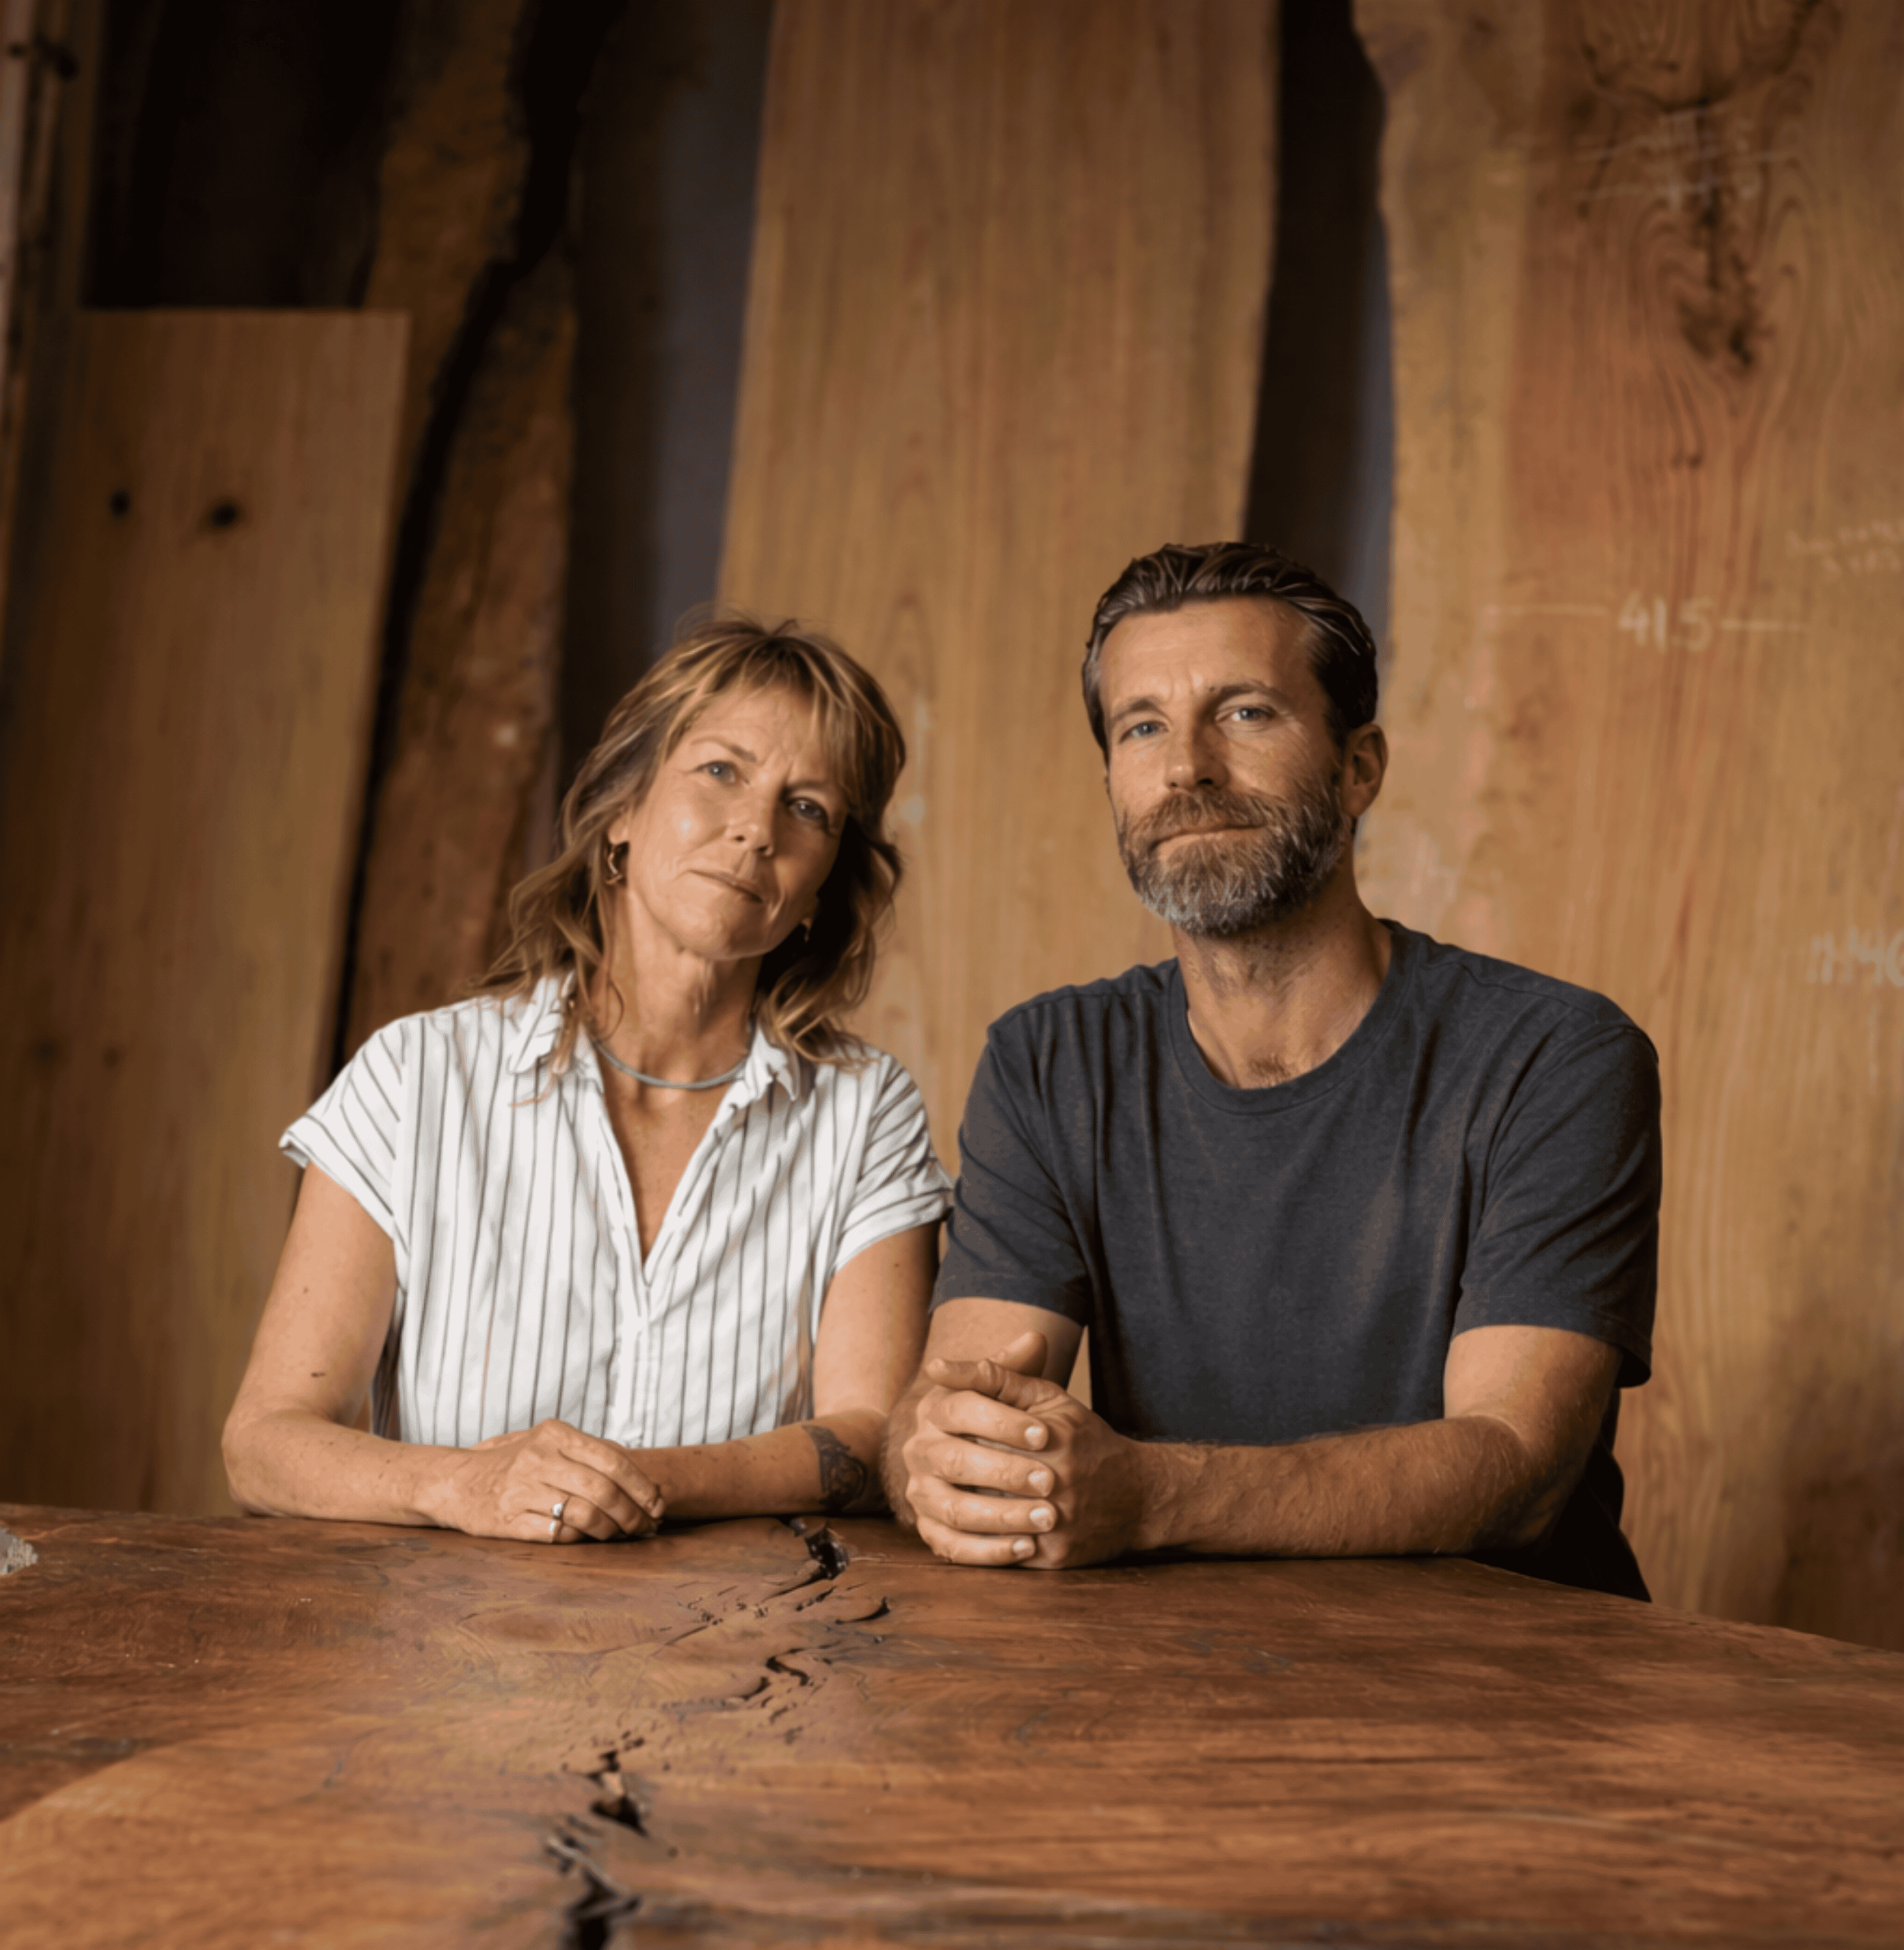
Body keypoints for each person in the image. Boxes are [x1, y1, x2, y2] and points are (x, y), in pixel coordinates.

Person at [884, 541, 1660, 1596]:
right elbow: (954, 1409)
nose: (1187, 768)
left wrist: (1150, 1495)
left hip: (1507, 1698)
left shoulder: (1555, 1056)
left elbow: (1515, 1468)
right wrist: (937, 1459)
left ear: (1360, 768)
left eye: (1246, 712)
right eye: (1141, 725)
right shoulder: (1048, 1062)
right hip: (1175, 1680)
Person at [225, 614, 950, 1545]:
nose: (755, 830)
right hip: (443, 1676)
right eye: (721, 770)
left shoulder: (865, 1111)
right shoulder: (416, 1078)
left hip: (753, 1671)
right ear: (622, 809)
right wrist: (467, 1487)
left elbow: (869, 1440)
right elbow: (263, 1445)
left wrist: (623, 1481)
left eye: (806, 808)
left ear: (819, 887)